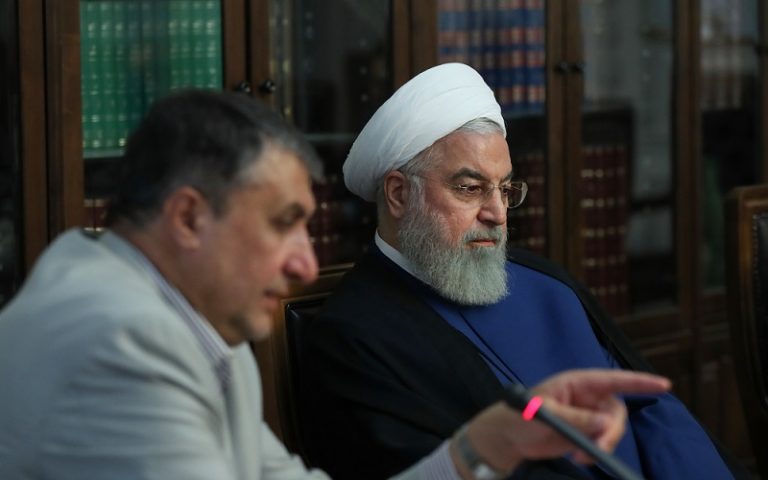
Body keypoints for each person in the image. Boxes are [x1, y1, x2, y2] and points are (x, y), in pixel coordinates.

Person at [0, 90, 671, 480]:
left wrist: (485, 445)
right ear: (188, 218)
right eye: (282, 224)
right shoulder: (121, 341)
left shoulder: (185, 314)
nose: (304, 265)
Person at [298, 63, 749, 480]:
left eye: (505, 189)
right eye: (471, 188)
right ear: (398, 194)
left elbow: (650, 408)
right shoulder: (353, 338)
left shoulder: (545, 284)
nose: (497, 214)